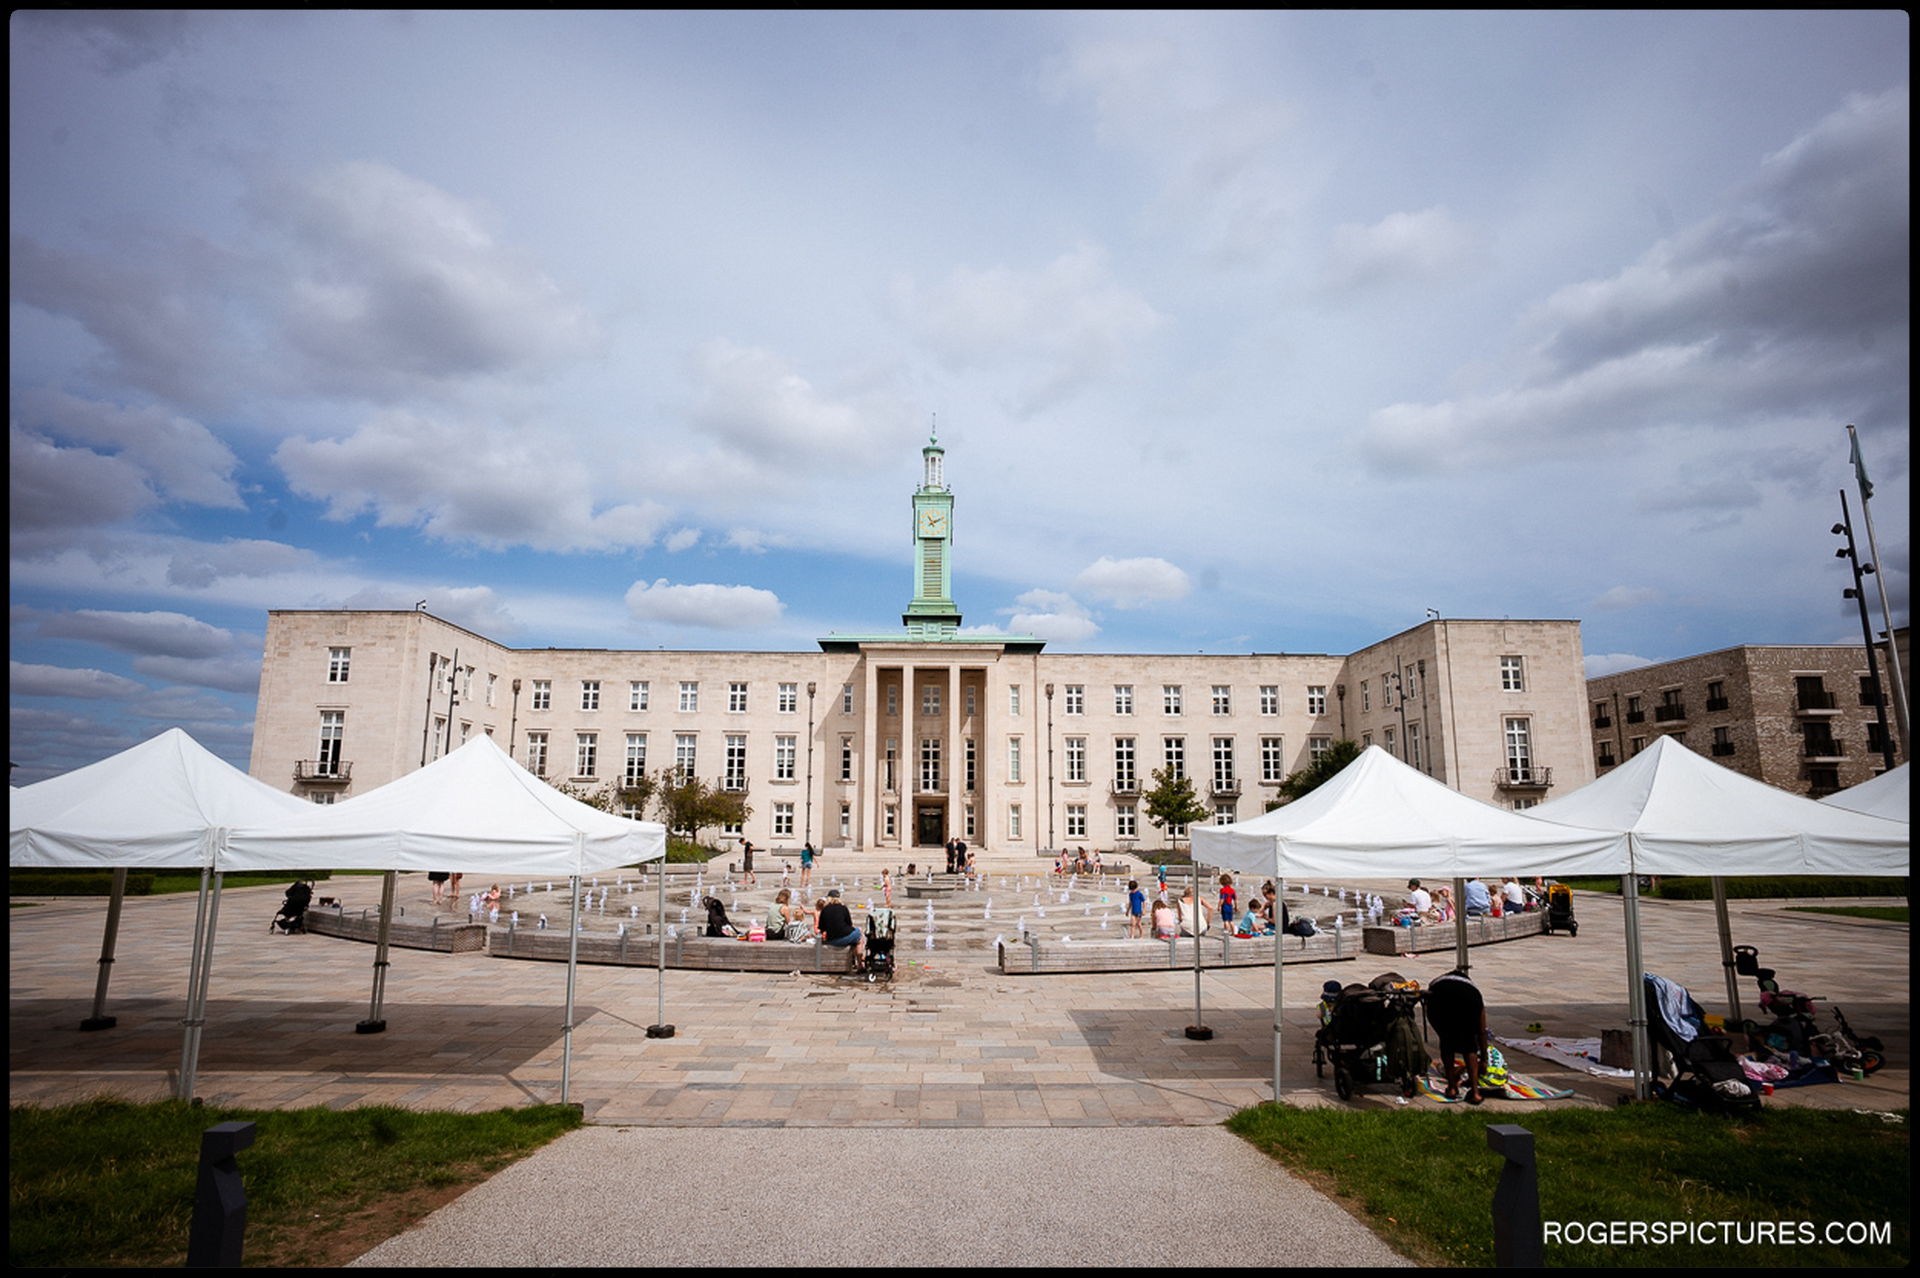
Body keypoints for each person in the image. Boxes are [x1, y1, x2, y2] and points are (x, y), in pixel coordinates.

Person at [1425, 968, 1490, 1104]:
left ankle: (1452, 1088)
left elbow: (1429, 993)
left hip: (1439, 995)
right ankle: (1476, 1093)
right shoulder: (1473, 990)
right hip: (1469, 999)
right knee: (1469, 1044)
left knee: (1446, 1040)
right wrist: (1484, 1060)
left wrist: (1443, 1031)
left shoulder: (1439, 981)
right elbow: (1482, 1032)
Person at [818, 888, 864, 966]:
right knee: (859, 932)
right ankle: (860, 961)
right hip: (844, 937)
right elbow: (849, 924)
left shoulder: (825, 910)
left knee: (856, 934)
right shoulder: (843, 908)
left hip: (832, 939)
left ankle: (854, 958)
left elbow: (822, 928)